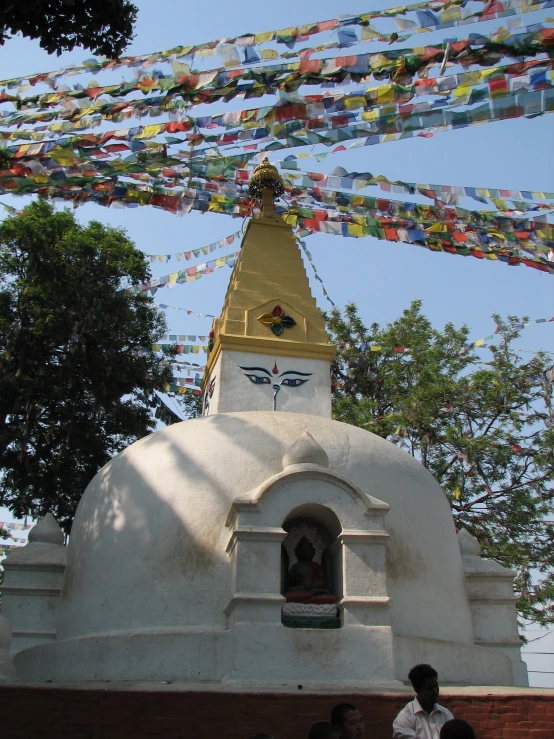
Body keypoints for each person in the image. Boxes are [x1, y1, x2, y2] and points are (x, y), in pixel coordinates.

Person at [393, 664, 454, 739]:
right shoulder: (405, 717)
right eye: (429, 688)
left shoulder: (446, 715)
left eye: (436, 686)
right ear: (416, 689)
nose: (435, 691)